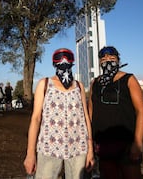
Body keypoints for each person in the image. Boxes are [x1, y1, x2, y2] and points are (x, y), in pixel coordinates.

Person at [23, 48, 94, 179]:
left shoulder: (79, 86)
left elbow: (85, 118)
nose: (64, 61)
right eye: (59, 57)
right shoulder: (44, 84)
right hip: (49, 148)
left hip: (78, 148)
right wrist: (30, 153)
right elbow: (36, 119)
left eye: (68, 57)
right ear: (54, 62)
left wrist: (90, 150)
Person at [88, 46, 143, 179]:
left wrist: (137, 143)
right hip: (103, 145)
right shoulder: (95, 83)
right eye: (103, 58)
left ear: (118, 61)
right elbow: (90, 112)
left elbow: (141, 111)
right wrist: (90, 141)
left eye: (112, 58)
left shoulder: (129, 79)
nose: (107, 60)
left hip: (126, 144)